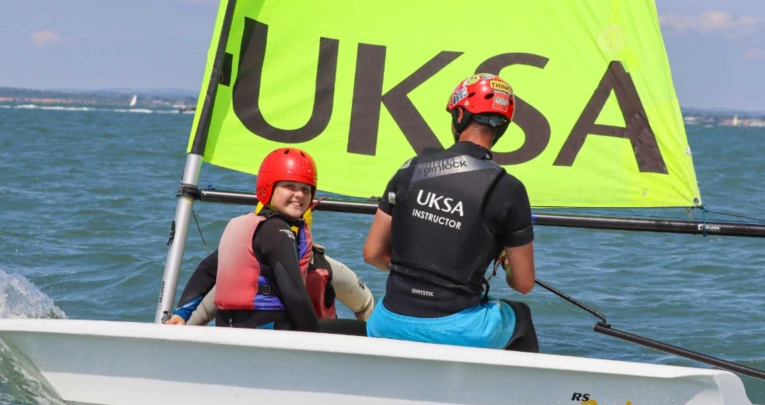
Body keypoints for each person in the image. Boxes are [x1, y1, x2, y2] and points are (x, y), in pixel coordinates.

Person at [362, 73, 539, 352]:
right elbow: (524, 283)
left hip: (387, 323)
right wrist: (505, 262)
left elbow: (372, 253)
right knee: (521, 316)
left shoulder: (412, 168)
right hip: (455, 329)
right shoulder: (508, 189)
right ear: (502, 127)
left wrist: (417, 280)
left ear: (459, 115)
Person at [167, 147, 371, 334]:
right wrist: (314, 339)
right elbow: (295, 295)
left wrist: (182, 313)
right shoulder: (278, 231)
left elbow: (206, 270)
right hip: (271, 334)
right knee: (364, 331)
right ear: (269, 187)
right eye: (289, 186)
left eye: (306, 189)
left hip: (231, 329)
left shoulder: (245, 226)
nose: (299, 195)